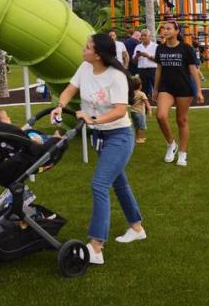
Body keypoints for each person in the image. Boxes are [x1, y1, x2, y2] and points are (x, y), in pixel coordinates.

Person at [50, 33, 145, 266]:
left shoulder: (116, 77)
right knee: (119, 182)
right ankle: (137, 227)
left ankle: (96, 247)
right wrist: (60, 107)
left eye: (87, 47)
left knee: (99, 184)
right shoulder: (84, 68)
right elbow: (70, 90)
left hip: (119, 136)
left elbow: (120, 111)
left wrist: (92, 120)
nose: (83, 50)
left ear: (99, 54)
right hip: (100, 137)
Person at [153, 21, 204, 167]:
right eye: (164, 28)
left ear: (176, 32)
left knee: (182, 120)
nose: (165, 31)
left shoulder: (186, 48)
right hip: (166, 87)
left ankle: (182, 154)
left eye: (169, 28)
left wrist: (199, 91)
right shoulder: (160, 49)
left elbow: (193, 71)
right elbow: (159, 70)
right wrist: (155, 89)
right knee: (161, 116)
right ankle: (171, 144)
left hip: (184, 89)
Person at [132, 29, 157, 100]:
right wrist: (137, 56)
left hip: (153, 70)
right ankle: (145, 107)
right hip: (142, 70)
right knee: (143, 89)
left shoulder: (155, 46)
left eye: (145, 35)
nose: (143, 37)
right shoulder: (138, 47)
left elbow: (159, 60)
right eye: (141, 35)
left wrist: (148, 56)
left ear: (149, 36)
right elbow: (134, 62)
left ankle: (159, 105)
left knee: (156, 88)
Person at [130, 78, 152, 144]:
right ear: (140, 86)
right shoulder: (142, 94)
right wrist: (150, 110)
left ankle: (138, 137)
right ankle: (139, 139)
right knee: (140, 126)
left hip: (133, 112)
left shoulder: (132, 93)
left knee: (136, 126)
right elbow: (146, 102)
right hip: (140, 112)